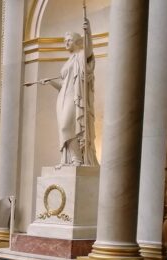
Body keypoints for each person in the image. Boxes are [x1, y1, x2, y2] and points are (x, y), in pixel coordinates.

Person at [36, 18, 99, 168]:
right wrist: (50, 82)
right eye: (65, 40)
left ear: (77, 42)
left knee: (67, 127)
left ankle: (77, 159)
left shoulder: (81, 56)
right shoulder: (69, 60)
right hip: (62, 98)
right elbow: (63, 86)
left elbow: (89, 50)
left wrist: (88, 31)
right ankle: (70, 159)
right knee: (64, 128)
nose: (66, 43)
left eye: (69, 40)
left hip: (75, 97)